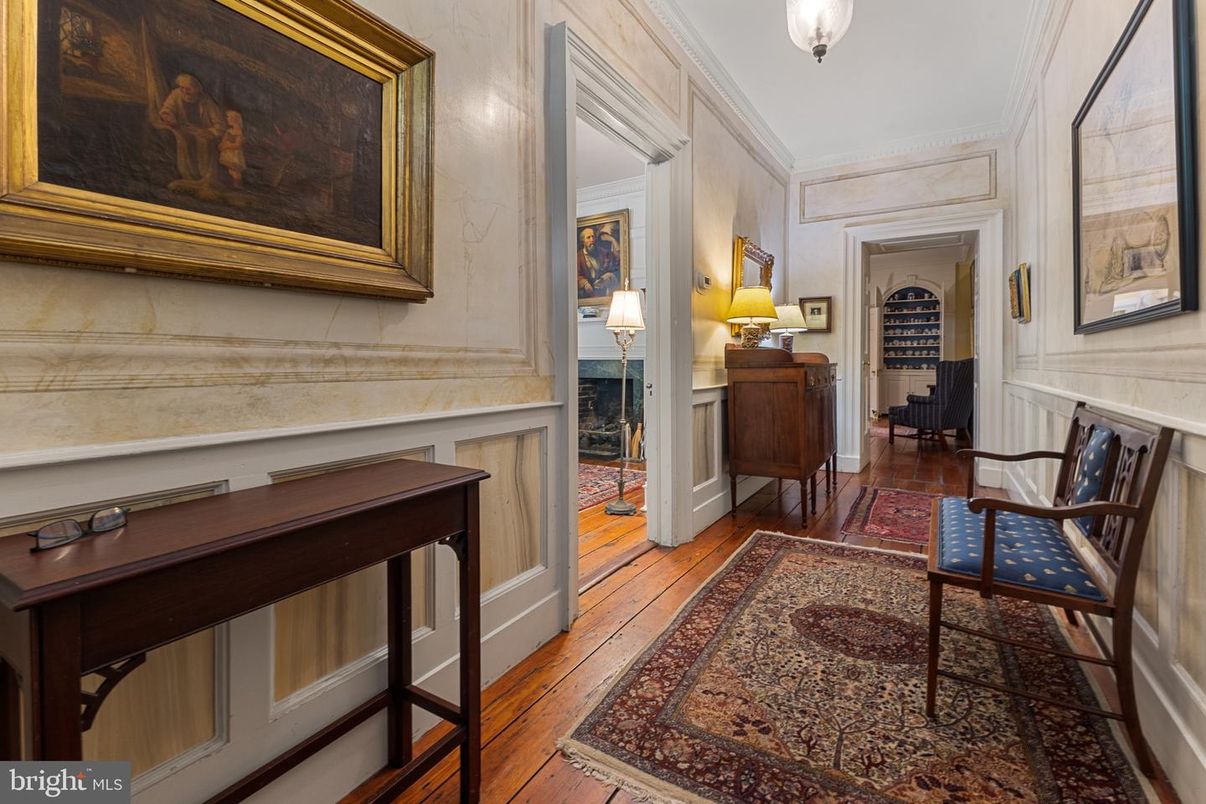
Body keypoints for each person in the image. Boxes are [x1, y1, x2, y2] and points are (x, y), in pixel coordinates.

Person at [159, 74, 224, 187]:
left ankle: (202, 178)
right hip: (181, 127)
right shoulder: (175, 94)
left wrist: (210, 132)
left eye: (188, 89)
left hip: (201, 131)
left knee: (203, 142)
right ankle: (187, 176)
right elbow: (167, 109)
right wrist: (169, 117)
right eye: (182, 88)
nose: (184, 91)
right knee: (182, 140)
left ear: (196, 89)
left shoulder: (207, 102)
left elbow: (219, 124)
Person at [577, 226, 618, 299]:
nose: (592, 239)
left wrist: (606, 277)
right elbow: (576, 275)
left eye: (593, 237)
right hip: (588, 294)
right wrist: (585, 283)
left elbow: (613, 267)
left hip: (603, 290)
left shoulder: (603, 253)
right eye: (588, 237)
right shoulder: (578, 257)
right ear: (583, 241)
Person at [218, 110, 247, 188]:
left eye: (229, 117)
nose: (227, 119)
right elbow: (224, 140)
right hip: (228, 154)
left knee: (235, 171)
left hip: (235, 155)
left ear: (234, 119)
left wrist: (227, 145)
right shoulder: (229, 130)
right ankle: (234, 184)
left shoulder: (238, 132)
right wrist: (221, 145)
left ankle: (237, 185)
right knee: (231, 170)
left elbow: (238, 145)